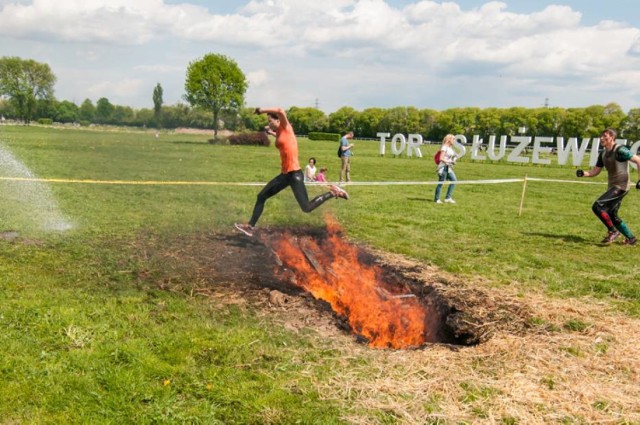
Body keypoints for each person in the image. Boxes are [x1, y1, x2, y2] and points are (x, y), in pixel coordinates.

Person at [234, 107, 349, 237]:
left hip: (294, 175)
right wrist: (271, 132)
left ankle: (333, 192)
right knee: (261, 196)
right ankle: (250, 226)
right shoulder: (281, 132)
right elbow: (284, 140)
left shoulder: (286, 127)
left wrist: (262, 110)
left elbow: (280, 110)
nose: (269, 123)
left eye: (270, 121)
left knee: (306, 208)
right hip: (285, 176)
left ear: (278, 121)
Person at [576, 128, 640, 245]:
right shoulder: (603, 153)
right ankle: (631, 239)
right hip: (612, 187)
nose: (601, 138)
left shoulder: (620, 150)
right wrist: (584, 173)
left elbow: (638, 160)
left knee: (597, 206)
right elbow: (596, 171)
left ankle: (613, 232)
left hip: (621, 186)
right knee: (612, 214)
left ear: (612, 138)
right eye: (601, 136)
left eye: (605, 136)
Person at [434, 134, 458, 204]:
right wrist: (449, 161)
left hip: (449, 167)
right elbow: (441, 158)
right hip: (443, 167)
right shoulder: (444, 147)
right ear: (449, 139)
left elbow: (449, 157)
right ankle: (437, 199)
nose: (454, 140)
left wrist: (454, 159)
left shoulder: (450, 148)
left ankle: (448, 197)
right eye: (453, 139)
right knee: (441, 183)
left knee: (454, 180)